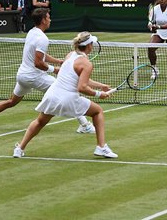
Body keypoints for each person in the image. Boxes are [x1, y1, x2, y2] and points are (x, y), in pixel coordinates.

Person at [0, 9, 96, 134]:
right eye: (48, 17)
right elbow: (38, 62)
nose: (50, 19)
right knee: (65, 92)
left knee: (11, 102)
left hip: (22, 76)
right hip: (34, 77)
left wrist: (58, 61)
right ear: (43, 20)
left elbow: (40, 55)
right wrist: (55, 69)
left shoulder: (31, 32)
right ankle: (85, 125)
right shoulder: (43, 39)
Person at [13, 30, 115, 159]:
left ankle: (20, 148)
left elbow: (78, 79)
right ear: (89, 46)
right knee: (97, 111)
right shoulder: (87, 64)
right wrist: (99, 94)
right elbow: (82, 87)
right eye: (92, 44)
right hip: (68, 98)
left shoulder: (70, 55)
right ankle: (101, 147)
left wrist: (101, 86)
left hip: (53, 95)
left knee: (39, 122)